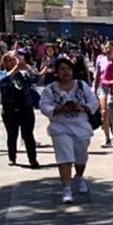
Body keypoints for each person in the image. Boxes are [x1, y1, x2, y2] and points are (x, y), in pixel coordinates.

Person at [39, 57, 98, 204]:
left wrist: (82, 107)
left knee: (81, 156)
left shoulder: (81, 85)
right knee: (65, 157)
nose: (66, 72)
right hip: (60, 127)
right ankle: (66, 188)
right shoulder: (50, 89)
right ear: (56, 72)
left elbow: (94, 101)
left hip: (81, 126)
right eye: (62, 69)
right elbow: (44, 106)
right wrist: (59, 109)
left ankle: (79, 177)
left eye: (69, 69)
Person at [0, 52, 40, 168]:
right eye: (8, 61)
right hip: (9, 110)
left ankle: (33, 159)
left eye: (13, 60)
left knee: (28, 135)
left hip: (25, 108)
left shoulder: (24, 74)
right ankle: (12, 157)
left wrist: (27, 67)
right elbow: (0, 82)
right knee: (12, 135)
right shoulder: (1, 74)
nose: (11, 63)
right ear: (4, 63)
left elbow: (35, 78)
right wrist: (13, 70)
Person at [93, 43, 113, 147]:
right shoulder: (100, 59)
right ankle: (107, 138)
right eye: (106, 48)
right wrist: (94, 89)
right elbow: (97, 75)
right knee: (104, 111)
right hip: (103, 88)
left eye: (110, 48)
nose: (108, 49)